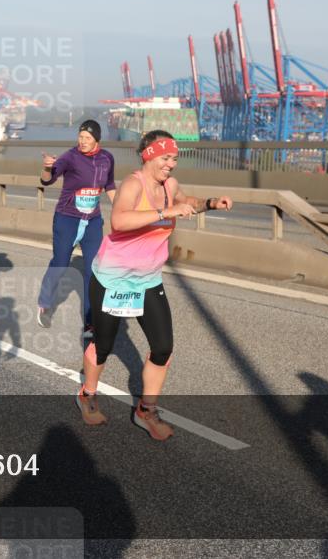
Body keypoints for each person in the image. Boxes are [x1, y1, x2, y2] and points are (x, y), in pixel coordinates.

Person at [76, 130, 233, 439]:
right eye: (166, 158)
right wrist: (166, 212)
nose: (171, 165)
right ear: (149, 154)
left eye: (174, 159)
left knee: (163, 347)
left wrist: (211, 203)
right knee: (104, 345)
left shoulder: (169, 185)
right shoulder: (134, 184)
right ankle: (87, 394)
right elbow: (119, 221)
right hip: (113, 277)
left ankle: (146, 411)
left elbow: (186, 201)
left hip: (148, 279)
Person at [37, 120, 116, 338]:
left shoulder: (107, 158)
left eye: (87, 138)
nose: (82, 141)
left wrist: (121, 212)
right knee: (60, 264)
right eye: (80, 137)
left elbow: (109, 186)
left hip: (92, 222)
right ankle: (44, 303)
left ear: (97, 140)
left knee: (93, 270)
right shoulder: (70, 157)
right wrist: (46, 167)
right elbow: (48, 180)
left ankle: (90, 321)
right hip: (67, 219)